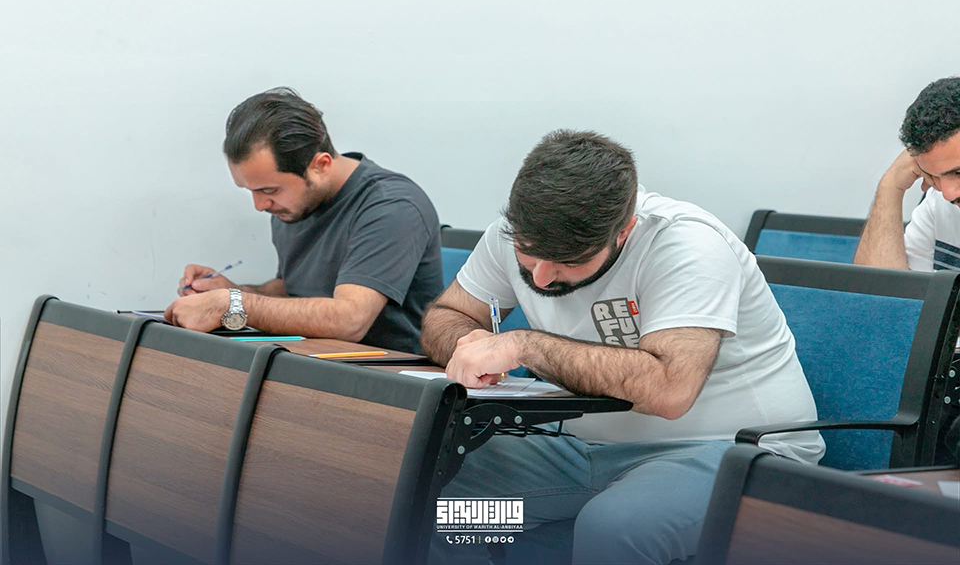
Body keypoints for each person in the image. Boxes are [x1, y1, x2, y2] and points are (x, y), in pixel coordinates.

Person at [421, 130, 823, 565]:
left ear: (624, 230)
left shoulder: (688, 244)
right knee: (437, 505)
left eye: (570, 260)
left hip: (732, 450)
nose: (540, 277)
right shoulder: (513, 234)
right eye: (528, 252)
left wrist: (524, 345)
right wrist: (467, 342)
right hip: (583, 453)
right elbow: (447, 314)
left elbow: (670, 391)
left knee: (614, 529)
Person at [164, 87, 443, 353]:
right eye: (250, 191)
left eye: (269, 190)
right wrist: (232, 291)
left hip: (388, 371)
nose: (260, 205)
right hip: (311, 358)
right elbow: (297, 291)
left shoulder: (392, 206)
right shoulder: (290, 205)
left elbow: (350, 319)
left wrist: (232, 304)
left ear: (320, 165)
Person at [854, 77, 960, 271]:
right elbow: (879, 287)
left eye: (958, 172)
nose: (947, 194)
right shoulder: (936, 203)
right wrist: (892, 184)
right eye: (932, 176)